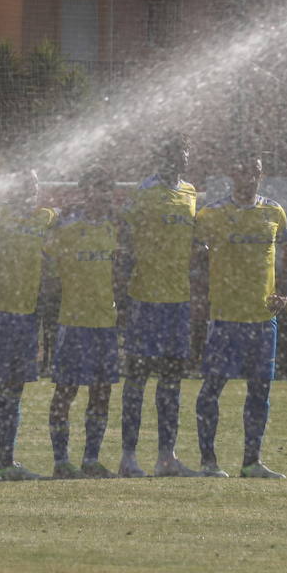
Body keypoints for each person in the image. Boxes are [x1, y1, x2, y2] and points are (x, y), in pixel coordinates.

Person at [193, 154, 287, 479]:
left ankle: (252, 462)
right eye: (243, 172)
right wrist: (199, 294)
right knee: (212, 388)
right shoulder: (212, 214)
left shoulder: (273, 211)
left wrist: (286, 291)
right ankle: (208, 461)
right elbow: (193, 256)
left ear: (261, 175)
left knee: (260, 390)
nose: (249, 178)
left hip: (262, 318)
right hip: (225, 317)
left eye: (255, 172)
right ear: (232, 174)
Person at [116, 133, 200, 478]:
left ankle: (167, 457)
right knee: (137, 377)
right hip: (145, 299)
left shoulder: (191, 192)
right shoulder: (144, 192)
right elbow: (123, 236)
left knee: (171, 380)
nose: (179, 158)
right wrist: (122, 289)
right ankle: (128, 456)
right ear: (161, 157)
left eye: (183, 152)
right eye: (173, 152)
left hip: (177, 300)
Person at [0, 169, 57, 481]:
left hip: (26, 316)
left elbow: (58, 224)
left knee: (14, 388)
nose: (28, 190)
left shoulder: (42, 218)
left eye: (33, 185)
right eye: (22, 185)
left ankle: (7, 460)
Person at [45, 168, 121, 479]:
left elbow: (117, 272)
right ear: (84, 192)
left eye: (105, 189)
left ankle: (91, 459)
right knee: (66, 391)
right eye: (94, 189)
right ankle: (61, 460)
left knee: (101, 392)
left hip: (105, 323)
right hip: (74, 323)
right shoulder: (66, 229)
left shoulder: (113, 230)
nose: (100, 195)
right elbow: (48, 266)